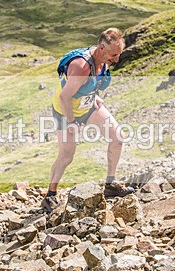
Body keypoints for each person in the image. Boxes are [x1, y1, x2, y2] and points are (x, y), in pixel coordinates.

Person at [43, 28, 135, 213]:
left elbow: (94, 82)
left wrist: (94, 96)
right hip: (66, 112)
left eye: (118, 54)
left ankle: (110, 184)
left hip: (88, 107)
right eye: (113, 55)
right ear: (101, 48)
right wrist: (71, 122)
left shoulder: (104, 59)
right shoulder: (81, 66)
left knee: (118, 137)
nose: (117, 59)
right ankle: (50, 195)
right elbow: (64, 97)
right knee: (67, 155)